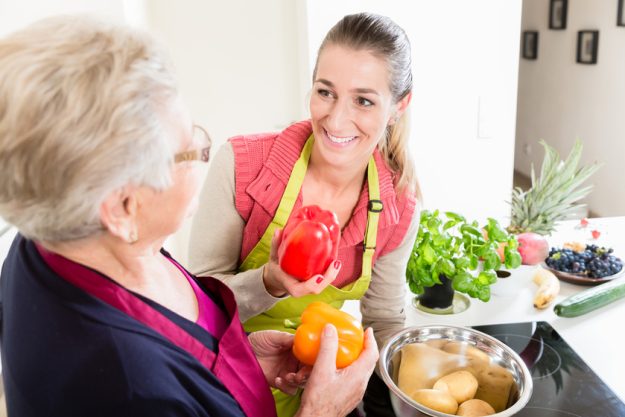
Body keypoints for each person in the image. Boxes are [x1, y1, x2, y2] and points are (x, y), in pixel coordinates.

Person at [0, 16, 379, 417]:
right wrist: (320, 412)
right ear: (123, 208)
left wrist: (237, 368)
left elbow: (181, 353)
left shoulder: (65, 234)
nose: (204, 148)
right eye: (188, 150)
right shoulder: (130, 391)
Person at [188, 12, 420, 417]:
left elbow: (382, 321)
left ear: (399, 106)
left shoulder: (399, 204)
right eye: (325, 92)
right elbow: (198, 307)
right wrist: (270, 282)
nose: (336, 118)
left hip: (324, 395)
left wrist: (420, 389)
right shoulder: (243, 166)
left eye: (364, 100)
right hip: (223, 389)